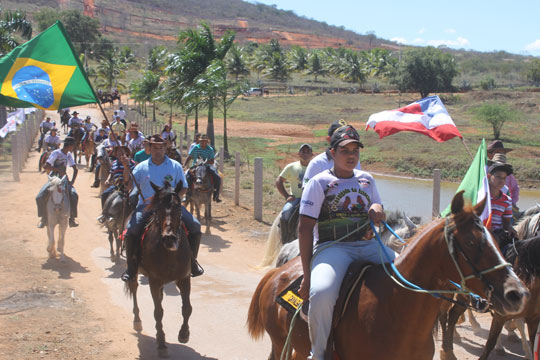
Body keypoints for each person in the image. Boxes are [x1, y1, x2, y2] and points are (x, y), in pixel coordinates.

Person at [297, 125, 394, 360]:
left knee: (411, 272)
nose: (351, 156)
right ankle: (318, 352)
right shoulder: (319, 183)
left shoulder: (367, 180)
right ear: (332, 152)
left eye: (355, 151)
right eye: (345, 151)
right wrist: (307, 275)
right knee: (321, 292)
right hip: (334, 248)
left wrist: (377, 208)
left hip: (369, 246)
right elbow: (305, 228)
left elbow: (378, 206)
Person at [121, 135, 203, 282]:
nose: (158, 150)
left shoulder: (175, 166)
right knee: (131, 231)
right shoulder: (141, 167)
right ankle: (131, 268)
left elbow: (183, 187)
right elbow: (128, 185)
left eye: (161, 147)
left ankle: (192, 261)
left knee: (195, 227)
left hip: (171, 207)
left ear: (166, 148)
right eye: (154, 147)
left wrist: (174, 200)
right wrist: (126, 167)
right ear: (149, 148)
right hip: (146, 207)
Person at [36, 137, 79, 228]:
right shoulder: (56, 153)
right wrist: (58, 170)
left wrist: (71, 182)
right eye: (73, 146)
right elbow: (46, 166)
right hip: (53, 179)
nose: (73, 147)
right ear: (70, 145)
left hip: (64, 179)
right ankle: (43, 218)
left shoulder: (68, 155)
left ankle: (72, 218)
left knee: (74, 195)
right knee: (40, 197)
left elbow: (75, 169)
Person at [302, 119, 361, 187]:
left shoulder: (353, 162)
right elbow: (307, 190)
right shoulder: (317, 163)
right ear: (329, 139)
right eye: (339, 135)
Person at [275, 143, 313, 243]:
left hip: (312, 199)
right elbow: (279, 180)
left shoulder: (315, 167)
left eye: (307, 152)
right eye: (303, 151)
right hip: (296, 199)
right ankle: (285, 242)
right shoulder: (291, 167)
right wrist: (287, 195)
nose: (305, 154)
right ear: (299, 154)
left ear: (311, 154)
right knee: (285, 216)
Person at [97, 146, 136, 224]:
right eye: (118, 152)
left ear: (126, 153)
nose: (120, 153)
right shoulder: (114, 163)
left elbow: (133, 175)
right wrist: (108, 180)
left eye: (122, 151)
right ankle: (105, 215)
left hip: (128, 186)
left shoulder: (131, 163)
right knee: (104, 194)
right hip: (117, 186)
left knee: (134, 199)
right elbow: (111, 174)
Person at [487, 160, 517, 251]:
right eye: (498, 177)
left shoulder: (507, 200)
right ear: (489, 176)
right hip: (481, 232)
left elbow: (506, 223)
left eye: (504, 178)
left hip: (497, 234)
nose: (501, 180)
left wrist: (511, 229)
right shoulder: (481, 195)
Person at [184, 134, 222, 203]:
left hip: (207, 166)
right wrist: (184, 164)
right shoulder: (195, 147)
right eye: (201, 141)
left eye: (204, 141)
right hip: (196, 166)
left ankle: (216, 195)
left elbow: (212, 161)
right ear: (199, 141)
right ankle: (187, 195)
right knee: (187, 176)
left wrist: (206, 161)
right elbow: (189, 156)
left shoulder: (210, 149)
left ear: (207, 142)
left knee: (218, 178)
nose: (203, 143)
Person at [487, 140, 519, 210]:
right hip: (487, 203)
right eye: (498, 152)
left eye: (503, 153)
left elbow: (515, 188)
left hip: (505, 204)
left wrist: (512, 202)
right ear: (489, 154)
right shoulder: (484, 170)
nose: (501, 154)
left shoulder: (508, 173)